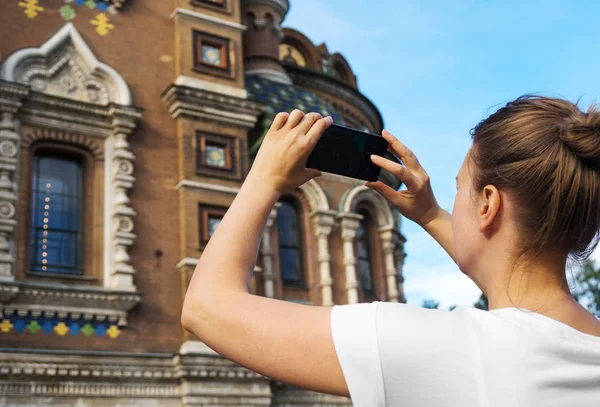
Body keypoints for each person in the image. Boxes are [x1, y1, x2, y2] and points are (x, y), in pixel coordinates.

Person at [181, 96, 600, 407]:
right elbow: (509, 274)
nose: (452, 205)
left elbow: (206, 309)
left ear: (488, 205)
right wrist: (431, 213)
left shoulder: (446, 350)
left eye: (459, 190)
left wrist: (263, 179)